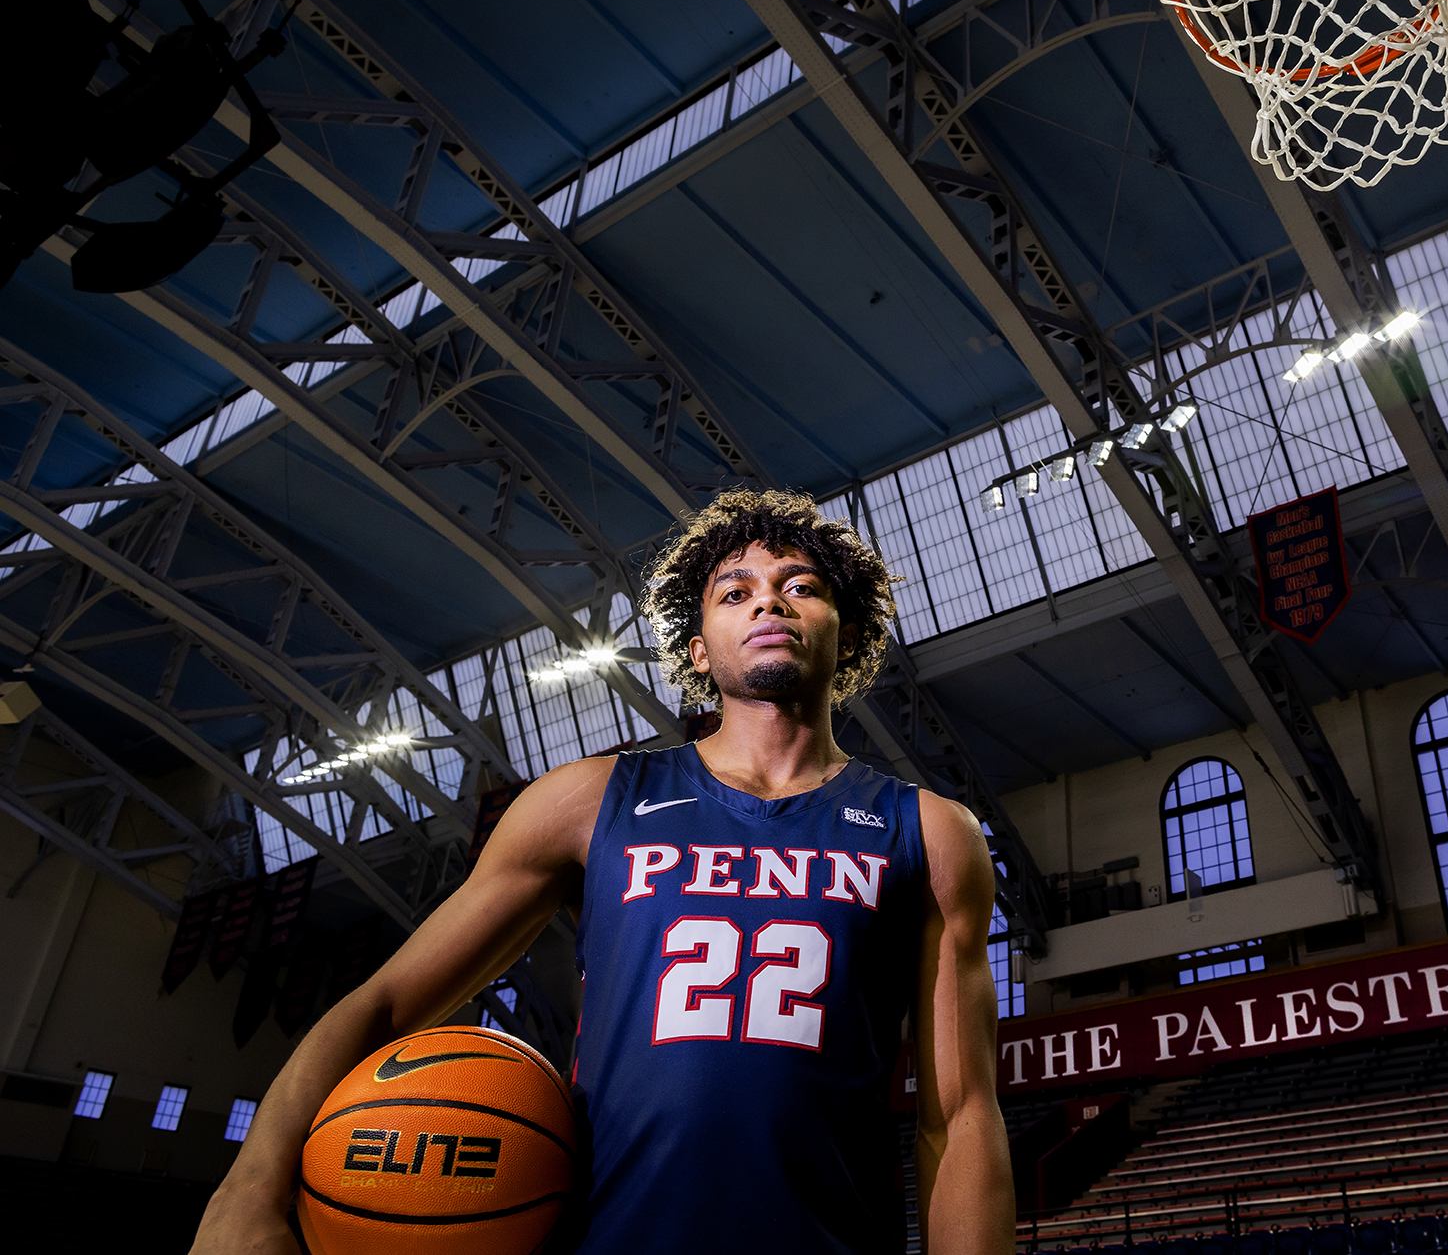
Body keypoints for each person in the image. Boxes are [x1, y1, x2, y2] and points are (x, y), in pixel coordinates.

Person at [191, 489, 1014, 1255]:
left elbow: (961, 1115)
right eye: (735, 592)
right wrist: (249, 1189)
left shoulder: (930, 831)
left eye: (800, 586)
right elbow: (384, 1005)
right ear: (699, 648)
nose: (768, 600)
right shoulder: (590, 800)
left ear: (847, 630)